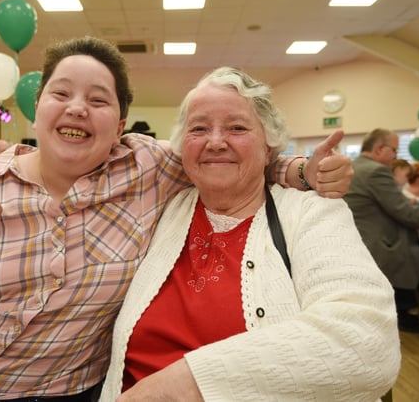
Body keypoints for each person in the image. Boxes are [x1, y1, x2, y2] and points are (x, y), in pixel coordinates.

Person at [0, 37, 353, 401]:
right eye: (60, 93)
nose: (76, 108)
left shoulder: (147, 168)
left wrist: (298, 170)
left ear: (120, 125)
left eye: (98, 100)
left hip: (52, 391)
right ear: (37, 108)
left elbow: (223, 158)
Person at [99, 67, 399, 401]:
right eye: (199, 128)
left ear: (270, 146)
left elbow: (366, 340)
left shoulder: (311, 213)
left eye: (237, 128)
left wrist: (186, 382)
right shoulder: (163, 206)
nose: (215, 141)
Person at [344, 128, 419, 333]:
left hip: (363, 244)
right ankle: (400, 307)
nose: (396, 156)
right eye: (394, 150)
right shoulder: (376, 171)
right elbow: (408, 215)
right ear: (379, 149)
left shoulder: (355, 166)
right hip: (385, 247)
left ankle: (401, 308)